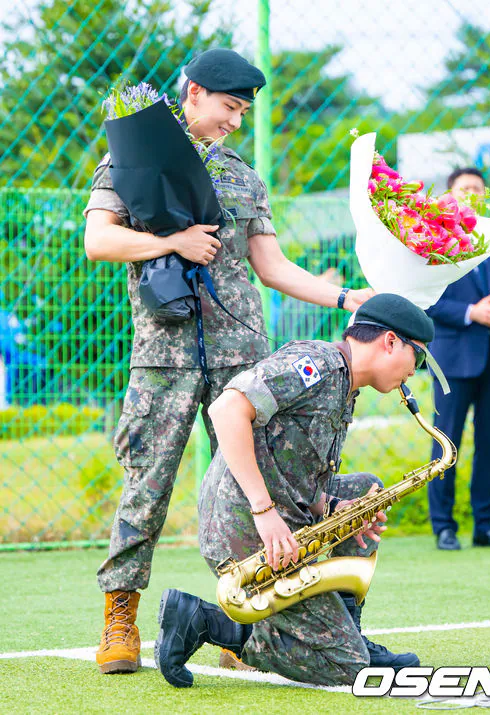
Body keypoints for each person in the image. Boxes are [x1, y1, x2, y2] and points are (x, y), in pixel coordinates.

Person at [83, 48, 373, 675]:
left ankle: (250, 618)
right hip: (163, 356)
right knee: (146, 485)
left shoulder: (244, 175)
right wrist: (171, 242)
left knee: (252, 486)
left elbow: (271, 266)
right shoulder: (133, 154)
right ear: (192, 92)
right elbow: (98, 239)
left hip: (242, 359)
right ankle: (120, 620)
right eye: (229, 107)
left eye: (243, 111)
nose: (235, 121)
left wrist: (347, 297)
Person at [154, 293, 434, 688]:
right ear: (390, 341)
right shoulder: (315, 365)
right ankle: (206, 622)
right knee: (349, 667)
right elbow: (226, 410)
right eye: (417, 358)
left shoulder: (345, 384)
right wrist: (263, 511)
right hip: (244, 524)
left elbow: (293, 465)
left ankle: (348, 632)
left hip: (278, 514)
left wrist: (333, 507)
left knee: (366, 490)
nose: (414, 373)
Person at [426, 167, 490, 551]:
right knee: (446, 442)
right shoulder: (435, 239)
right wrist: (473, 312)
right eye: (464, 188)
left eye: (478, 189)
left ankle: (485, 525)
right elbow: (428, 300)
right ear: (449, 196)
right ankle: (444, 527)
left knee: (489, 443)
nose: (472, 194)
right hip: (452, 359)